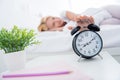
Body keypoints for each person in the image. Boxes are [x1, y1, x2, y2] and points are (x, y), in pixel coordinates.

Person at [38, 8, 112, 32]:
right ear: (54, 28)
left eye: (53, 18)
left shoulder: (63, 14)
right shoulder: (65, 30)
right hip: (102, 20)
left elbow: (76, 17)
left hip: (103, 10)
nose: (56, 20)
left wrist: (80, 21)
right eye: (54, 24)